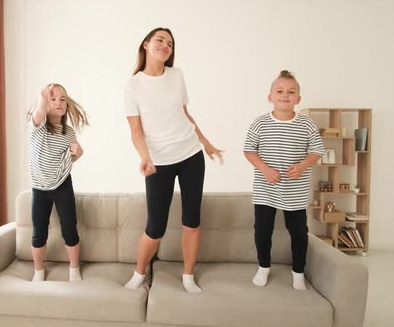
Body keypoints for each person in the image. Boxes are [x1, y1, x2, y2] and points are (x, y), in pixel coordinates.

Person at [123, 27, 224, 293]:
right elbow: (136, 130)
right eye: (160, 40)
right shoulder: (132, 85)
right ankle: (138, 273)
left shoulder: (177, 76)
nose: (165, 45)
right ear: (145, 44)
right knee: (155, 227)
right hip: (159, 161)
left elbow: (185, 115)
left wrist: (207, 144)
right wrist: (145, 158)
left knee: (192, 221)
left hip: (191, 155)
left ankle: (188, 276)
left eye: (170, 43)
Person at [243, 70, 324, 290]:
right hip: (265, 189)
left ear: (298, 98)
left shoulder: (306, 124)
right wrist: (265, 169)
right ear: (270, 97)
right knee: (262, 230)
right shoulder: (260, 123)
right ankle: (263, 267)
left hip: (295, 191)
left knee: (298, 232)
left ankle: (298, 271)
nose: (285, 95)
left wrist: (302, 166)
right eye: (279, 91)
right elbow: (249, 150)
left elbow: (317, 151)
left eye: (291, 92)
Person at [27, 83, 89, 282]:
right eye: (53, 99)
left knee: (69, 228)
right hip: (39, 188)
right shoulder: (37, 126)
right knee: (39, 232)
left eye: (62, 99)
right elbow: (37, 114)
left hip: (62, 185)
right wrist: (41, 102)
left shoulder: (68, 133)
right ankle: (38, 271)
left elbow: (68, 158)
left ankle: (74, 269)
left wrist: (78, 154)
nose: (59, 103)